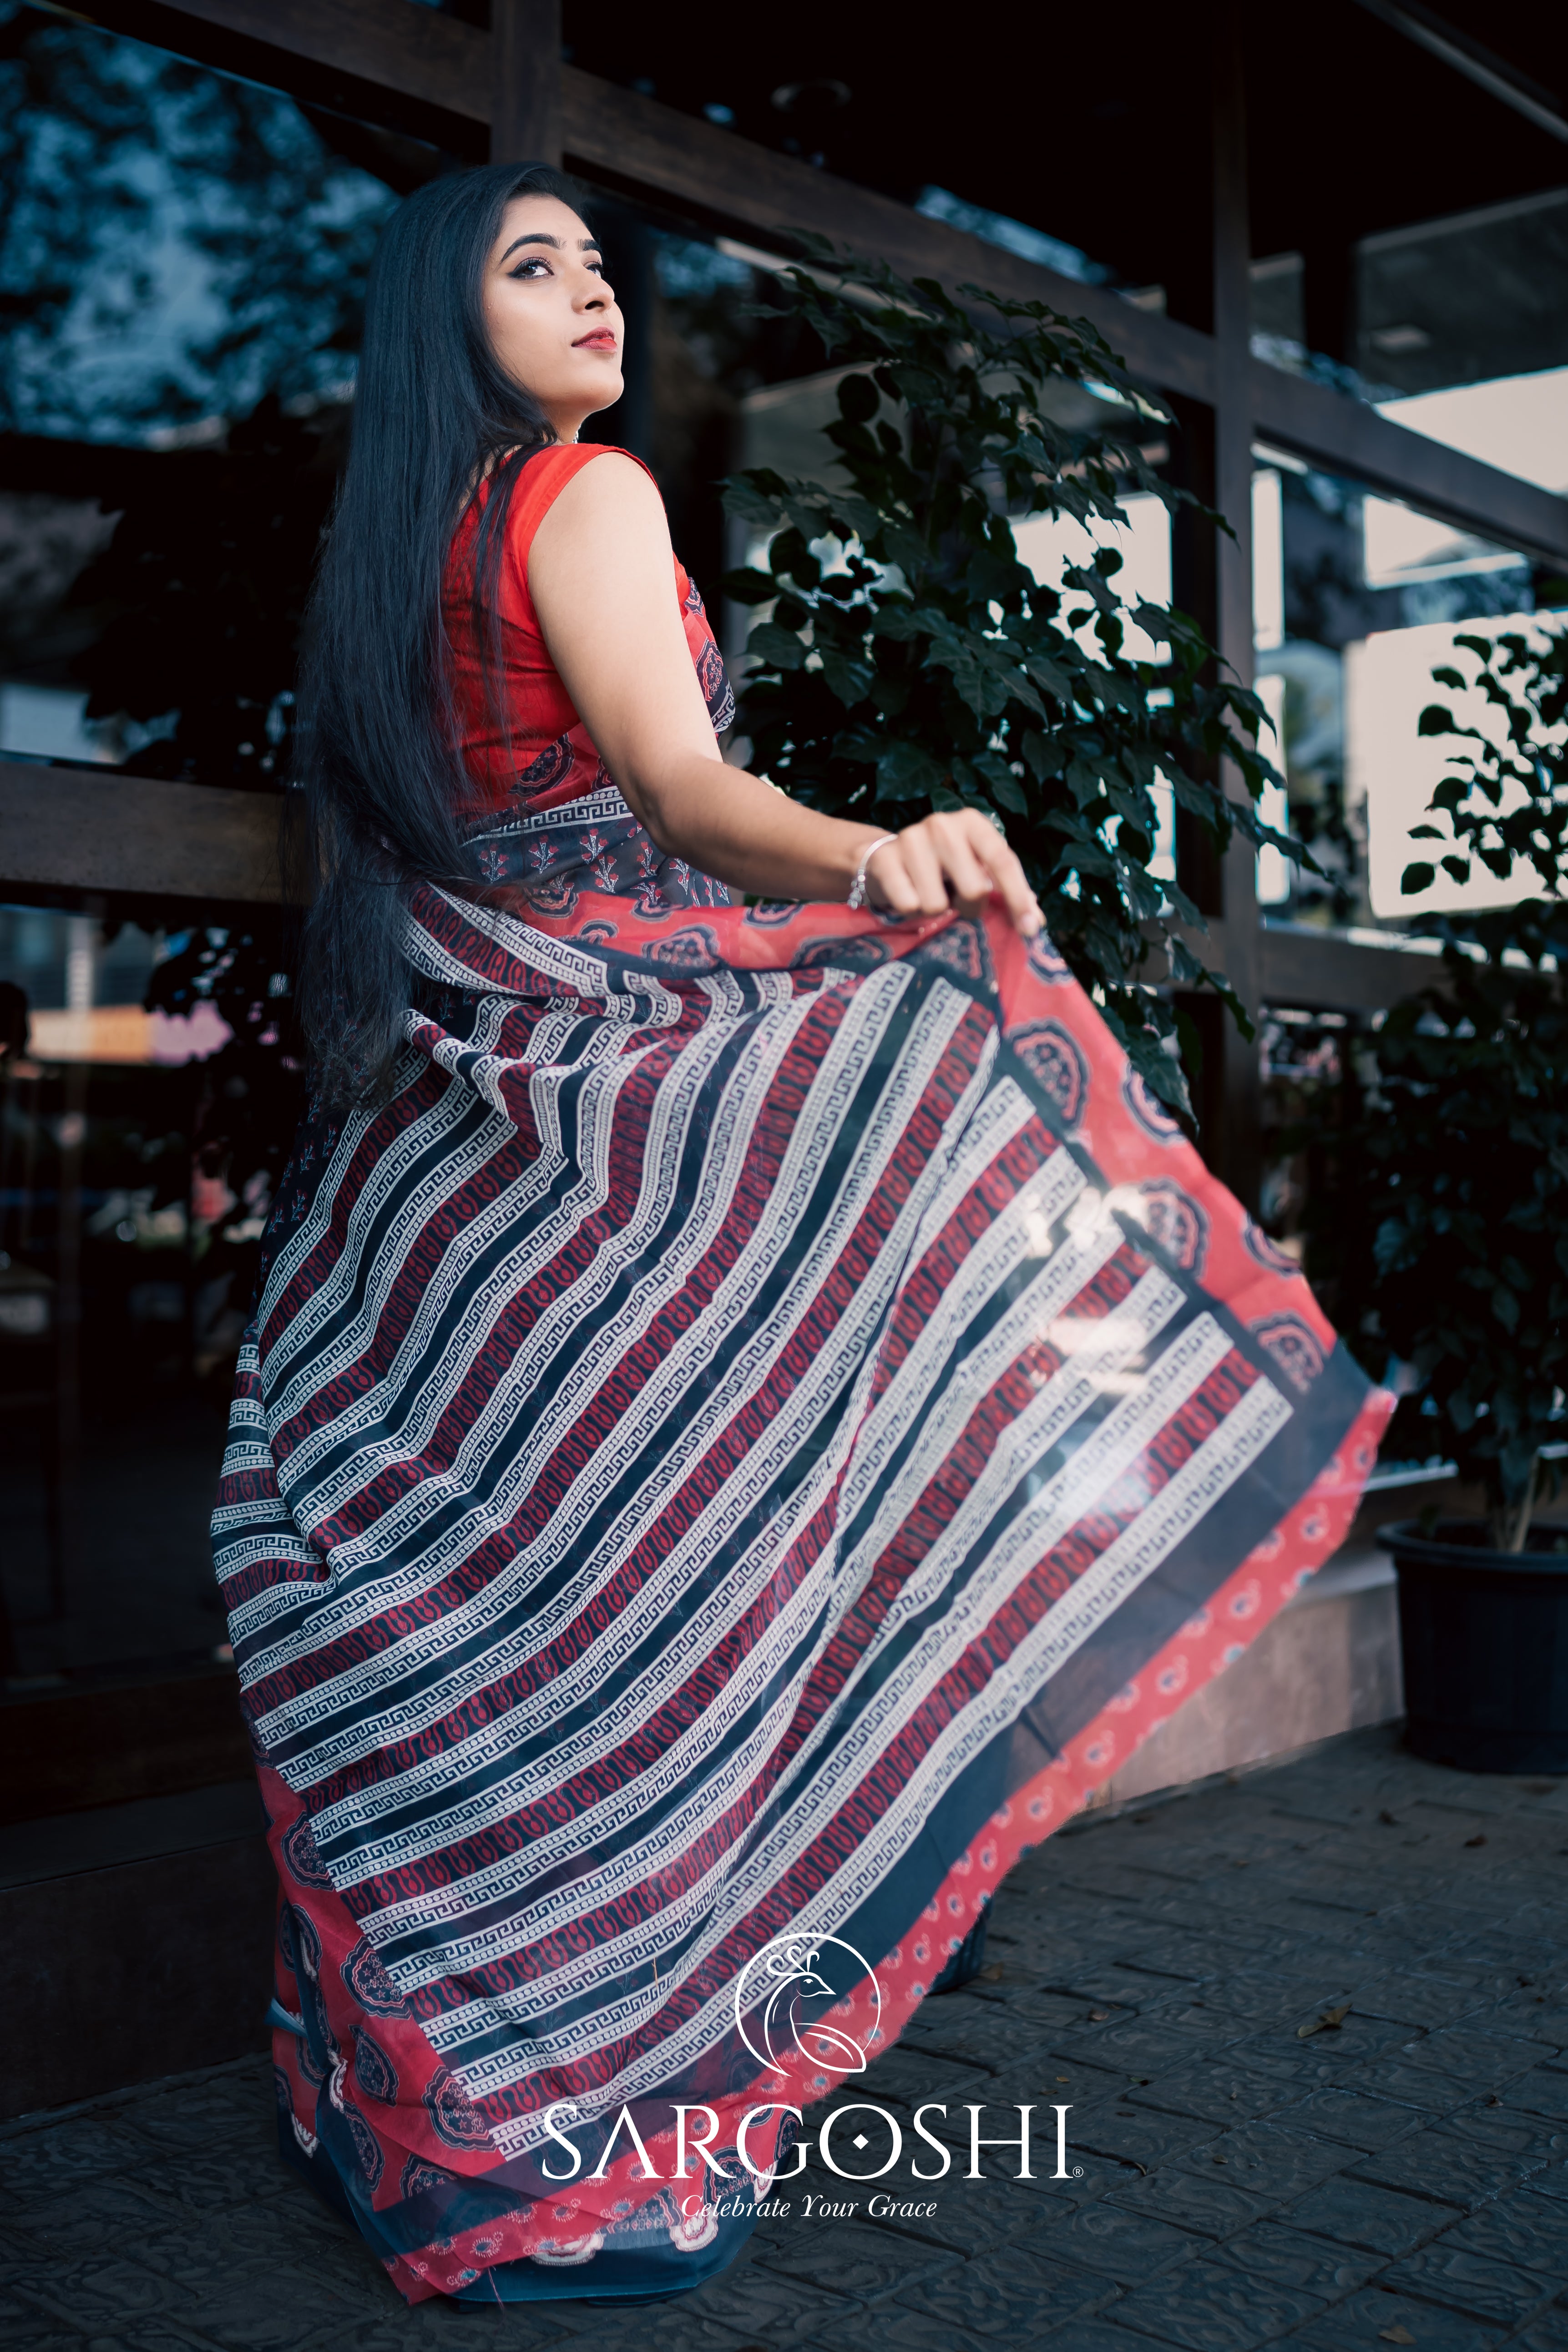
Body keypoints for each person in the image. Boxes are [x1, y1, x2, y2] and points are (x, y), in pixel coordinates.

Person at [215, 163, 1389, 2306]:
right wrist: (884, 850)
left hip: (448, 1141)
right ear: (436, 318)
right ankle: (599, 2110)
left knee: (516, 1612)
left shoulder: (389, 566)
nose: (594, 296)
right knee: (663, 1578)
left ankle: (437, 2121)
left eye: (597, 261)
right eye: (531, 265)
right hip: (586, 1075)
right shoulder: (577, 499)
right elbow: (672, 792)